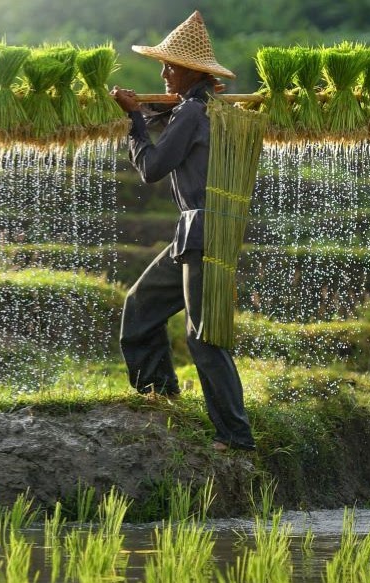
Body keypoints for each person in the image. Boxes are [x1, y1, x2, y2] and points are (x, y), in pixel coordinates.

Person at [111, 11, 255, 452]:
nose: (163, 72)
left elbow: (154, 167)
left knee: (203, 335)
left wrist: (134, 120)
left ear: (193, 71)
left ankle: (236, 436)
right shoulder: (203, 109)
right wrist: (148, 113)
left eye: (170, 66)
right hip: (193, 232)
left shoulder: (195, 111)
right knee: (140, 307)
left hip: (204, 230)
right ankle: (160, 397)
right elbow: (174, 130)